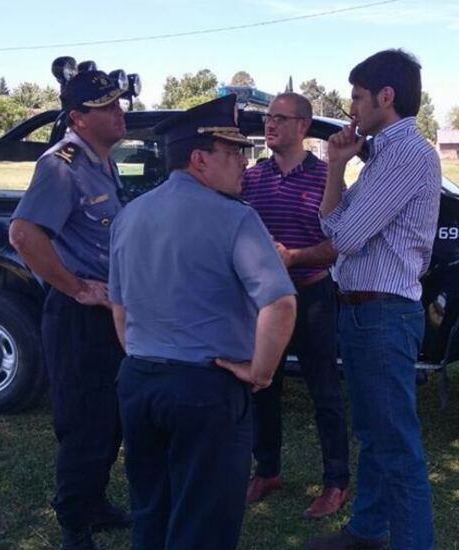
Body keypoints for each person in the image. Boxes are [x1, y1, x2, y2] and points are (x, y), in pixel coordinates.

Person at [109, 94, 297, 550]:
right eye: (233, 154)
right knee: (204, 526)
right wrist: (261, 372)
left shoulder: (128, 216)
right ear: (199, 160)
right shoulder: (236, 218)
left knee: (151, 511)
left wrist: (144, 353)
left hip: (140, 383)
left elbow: (120, 308)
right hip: (207, 390)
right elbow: (280, 304)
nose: (243, 165)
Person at [309, 49, 441, 550]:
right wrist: (336, 167)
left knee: (397, 448)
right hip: (365, 311)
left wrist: (339, 188)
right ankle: (366, 531)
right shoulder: (382, 153)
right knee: (374, 433)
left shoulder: (407, 153)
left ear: (387, 97)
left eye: (358, 98)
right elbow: (333, 224)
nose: (352, 108)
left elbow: (345, 236)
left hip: (383, 315)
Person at [9, 70, 131, 550]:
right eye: (108, 107)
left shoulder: (101, 162)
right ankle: (74, 525)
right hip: (79, 317)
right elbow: (24, 235)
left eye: (119, 103)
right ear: (79, 118)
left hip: (107, 315)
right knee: (84, 421)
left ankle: (93, 502)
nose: (120, 112)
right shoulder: (61, 164)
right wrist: (76, 287)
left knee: (110, 418)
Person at [241, 93, 350, 518]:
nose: (270, 126)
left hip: (312, 297)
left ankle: (336, 482)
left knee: (325, 392)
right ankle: (266, 470)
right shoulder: (252, 179)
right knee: (262, 386)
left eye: (280, 119)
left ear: (303, 127)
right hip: (265, 300)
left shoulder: (327, 178)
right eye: (268, 119)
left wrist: (294, 257)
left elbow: (337, 245)